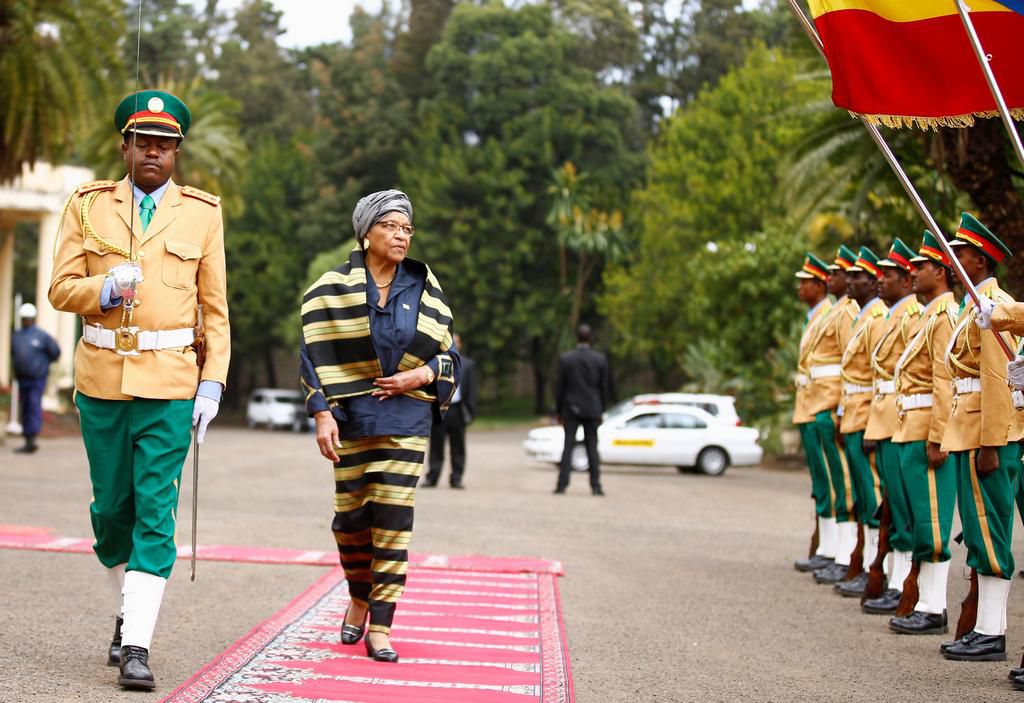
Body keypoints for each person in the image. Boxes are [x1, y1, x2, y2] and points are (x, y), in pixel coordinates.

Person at [48, 90, 230, 690]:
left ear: (177, 152)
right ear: (125, 146)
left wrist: (213, 383)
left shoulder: (203, 213)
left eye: (166, 144)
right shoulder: (86, 205)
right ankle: (127, 605)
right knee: (112, 513)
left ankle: (136, 644)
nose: (154, 151)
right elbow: (59, 289)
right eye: (143, 141)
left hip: (171, 384)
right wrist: (102, 289)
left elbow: (215, 310)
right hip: (102, 380)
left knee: (156, 513)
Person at [300, 189, 460, 664]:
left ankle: (383, 625)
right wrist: (322, 411)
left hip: (405, 418)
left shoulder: (424, 286)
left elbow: (450, 355)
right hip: (351, 417)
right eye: (391, 226)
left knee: (391, 519)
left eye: (407, 228)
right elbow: (312, 354)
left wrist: (423, 374)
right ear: (366, 232)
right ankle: (358, 596)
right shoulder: (330, 289)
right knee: (350, 523)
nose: (401, 236)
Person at [938, 213, 1019, 663]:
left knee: (989, 533)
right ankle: (986, 628)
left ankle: (992, 631)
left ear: (982, 259)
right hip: (967, 426)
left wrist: (992, 442)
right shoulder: (977, 305)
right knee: (977, 530)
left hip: (984, 432)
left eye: (961, 253)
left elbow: (995, 378)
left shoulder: (995, 307)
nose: (953, 260)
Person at [887, 231, 957, 635]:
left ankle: (933, 607)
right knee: (916, 518)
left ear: (941, 272)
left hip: (925, 430)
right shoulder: (928, 315)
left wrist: (937, 437)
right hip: (907, 426)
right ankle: (925, 603)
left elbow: (944, 380)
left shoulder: (944, 317)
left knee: (931, 523)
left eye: (921, 267)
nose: (913, 272)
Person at [860, 239, 923, 616]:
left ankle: (907, 587)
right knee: (892, 506)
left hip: (903, 414)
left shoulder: (914, 315)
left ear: (906, 281)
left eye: (889, 275)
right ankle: (898, 583)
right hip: (888, 415)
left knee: (907, 510)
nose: (881, 280)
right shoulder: (889, 318)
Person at [832, 247, 888, 597]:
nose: (850, 281)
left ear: (874, 282)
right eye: (849, 276)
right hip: (852, 411)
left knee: (873, 495)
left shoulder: (877, 317)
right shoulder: (860, 316)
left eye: (857, 276)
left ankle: (875, 568)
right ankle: (866, 564)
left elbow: (878, 375)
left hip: (867, 413)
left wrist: (869, 422)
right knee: (863, 495)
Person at [804, 246, 861, 586]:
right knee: (829, 480)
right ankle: (833, 549)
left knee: (845, 483)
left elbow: (847, 365)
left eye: (841, 274)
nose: (837, 279)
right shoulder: (832, 312)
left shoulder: (843, 313)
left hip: (835, 403)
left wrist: (840, 407)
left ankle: (844, 552)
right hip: (819, 401)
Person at [792, 253, 837, 572]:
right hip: (809, 404)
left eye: (806, 283)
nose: (800, 288)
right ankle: (825, 543)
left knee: (834, 481)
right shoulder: (814, 316)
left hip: (825, 404)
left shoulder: (832, 314)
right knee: (820, 480)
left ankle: (835, 548)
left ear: (821, 286)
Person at [554, 323, 610, 496]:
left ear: (576, 338)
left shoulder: (566, 359)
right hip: (593, 408)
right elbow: (604, 388)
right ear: (590, 338)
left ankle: (562, 485)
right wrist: (602, 409)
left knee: (568, 446)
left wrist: (559, 411)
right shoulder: (600, 359)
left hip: (571, 408)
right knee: (592, 447)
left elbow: (560, 388)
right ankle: (596, 485)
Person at [425, 333, 477, 489]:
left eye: (457, 341)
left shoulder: (468, 364)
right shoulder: (438, 362)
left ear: (460, 344)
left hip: (458, 409)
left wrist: (470, 410)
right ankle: (432, 477)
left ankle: (457, 478)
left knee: (458, 446)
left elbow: (472, 390)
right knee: (436, 445)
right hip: (440, 408)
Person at [10, 303, 60, 453]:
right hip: (22, 379)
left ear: (33, 318)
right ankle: (27, 438)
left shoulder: (41, 336)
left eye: (29, 318)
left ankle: (31, 439)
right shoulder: (17, 335)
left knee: (32, 405)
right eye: (25, 318)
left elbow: (55, 352)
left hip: (36, 378)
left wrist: (41, 365)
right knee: (25, 407)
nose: (27, 321)